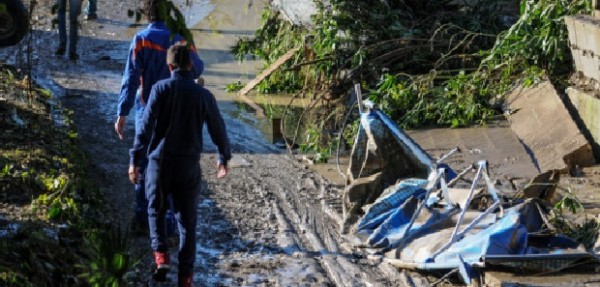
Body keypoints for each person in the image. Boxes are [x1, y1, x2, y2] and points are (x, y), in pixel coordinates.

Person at [128, 43, 231, 286]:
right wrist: (223, 157)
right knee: (187, 225)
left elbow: (145, 127)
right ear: (191, 65)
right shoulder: (204, 96)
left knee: (155, 210)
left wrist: (135, 159)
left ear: (169, 65)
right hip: (188, 167)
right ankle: (185, 278)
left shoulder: (159, 88)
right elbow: (218, 129)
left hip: (159, 164)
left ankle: (161, 256)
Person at [115, 0, 204, 236]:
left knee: (144, 164)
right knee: (173, 165)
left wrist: (122, 112)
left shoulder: (141, 39)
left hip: (147, 110)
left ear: (146, 13)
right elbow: (197, 68)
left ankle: (142, 218)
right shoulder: (180, 38)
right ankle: (171, 227)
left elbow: (131, 78)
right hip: (178, 111)